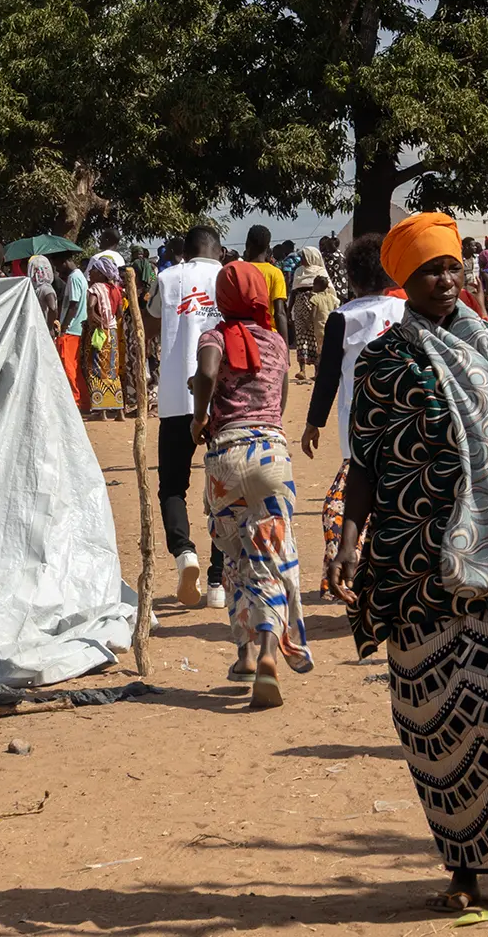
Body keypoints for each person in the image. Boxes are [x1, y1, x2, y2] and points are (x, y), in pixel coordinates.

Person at [327, 211, 488, 916]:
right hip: (412, 563)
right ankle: (462, 864)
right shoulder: (384, 361)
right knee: (432, 720)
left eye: (454, 266)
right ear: (405, 279)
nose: (447, 278)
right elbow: (364, 461)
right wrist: (348, 539)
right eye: (431, 269)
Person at [190, 260, 310, 705]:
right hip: (271, 455)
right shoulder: (277, 342)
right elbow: (278, 398)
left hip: (226, 458)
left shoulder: (214, 336)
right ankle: (266, 655)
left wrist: (201, 417)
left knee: (237, 554)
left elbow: (206, 373)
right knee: (272, 552)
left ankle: (242, 656)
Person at [303, 234, 404, 594]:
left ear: (352, 279)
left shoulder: (342, 318)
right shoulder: (405, 310)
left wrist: (313, 423)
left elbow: (327, 375)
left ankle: (343, 564)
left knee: (342, 505)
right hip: (405, 428)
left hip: (358, 431)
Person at [144, 225, 228, 610]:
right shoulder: (229, 276)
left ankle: (184, 554)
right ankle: (217, 581)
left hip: (177, 396)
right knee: (224, 492)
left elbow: (151, 321)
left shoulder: (167, 277)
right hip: (221, 400)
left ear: (187, 251)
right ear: (218, 250)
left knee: (172, 485)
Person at [83, 256, 125, 420]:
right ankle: (119, 410)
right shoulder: (116, 290)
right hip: (113, 333)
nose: (91, 272)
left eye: (94, 270)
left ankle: (102, 411)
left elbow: (90, 307)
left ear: (101, 273)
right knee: (113, 370)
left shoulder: (96, 288)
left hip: (99, 333)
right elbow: (120, 313)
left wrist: (96, 319)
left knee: (97, 369)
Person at [287, 246, 337, 383]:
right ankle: (302, 369)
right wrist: (289, 309)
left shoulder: (321, 272)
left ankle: (317, 370)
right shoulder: (298, 271)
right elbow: (294, 291)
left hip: (318, 310)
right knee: (301, 336)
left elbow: (330, 291)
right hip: (300, 307)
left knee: (316, 337)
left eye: (303, 256)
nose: (301, 259)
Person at [242, 224, 290, 341]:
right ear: (268, 247)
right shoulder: (275, 273)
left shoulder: (239, 271)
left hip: (243, 335)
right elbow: (280, 313)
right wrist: (285, 350)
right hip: (268, 336)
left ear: (247, 245)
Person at [56, 255, 89, 408]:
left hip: (72, 328)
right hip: (75, 327)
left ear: (64, 262)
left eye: (57, 264)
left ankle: (76, 400)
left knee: (68, 366)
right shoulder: (78, 276)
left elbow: (73, 304)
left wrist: (63, 327)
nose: (56, 269)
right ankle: (82, 400)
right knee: (73, 366)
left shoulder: (74, 278)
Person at [27, 254, 61, 334]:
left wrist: (49, 328)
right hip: (42, 330)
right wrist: (49, 327)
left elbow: (52, 308)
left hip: (37, 330)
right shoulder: (46, 288)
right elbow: (53, 308)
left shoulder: (36, 289)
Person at [321, 234, 351, 300]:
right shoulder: (341, 254)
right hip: (344, 286)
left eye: (328, 246)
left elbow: (326, 270)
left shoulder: (331, 257)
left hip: (336, 286)